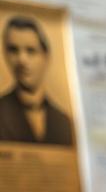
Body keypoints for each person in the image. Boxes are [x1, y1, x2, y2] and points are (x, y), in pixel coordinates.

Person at [0, 15, 73, 146]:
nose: (21, 60)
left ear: (45, 56)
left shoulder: (63, 122)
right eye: (13, 50)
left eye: (31, 51)